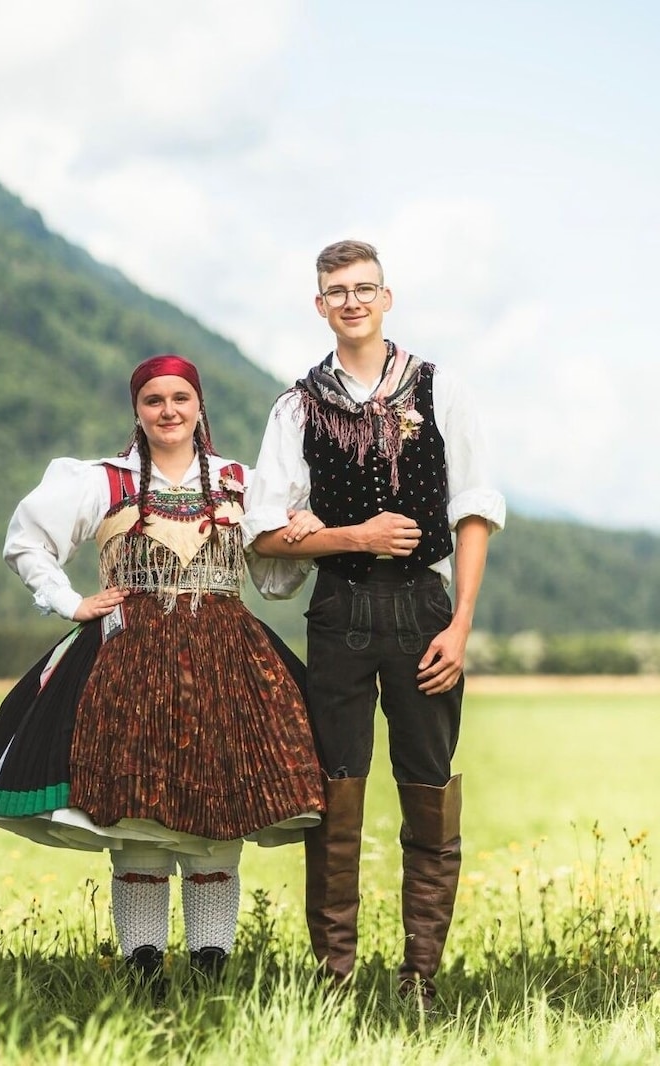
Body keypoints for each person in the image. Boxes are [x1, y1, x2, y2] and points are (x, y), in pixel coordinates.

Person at [0, 353, 325, 988]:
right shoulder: (103, 482)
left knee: (220, 813)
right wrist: (71, 602)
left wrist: (302, 528)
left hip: (225, 664)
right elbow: (26, 541)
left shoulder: (244, 482)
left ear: (199, 406)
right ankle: (144, 970)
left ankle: (211, 967)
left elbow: (273, 576)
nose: (168, 411)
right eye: (154, 400)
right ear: (137, 410)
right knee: (138, 817)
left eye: (180, 398)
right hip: (128, 665)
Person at [242, 240, 506, 1007]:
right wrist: (350, 536)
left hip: (425, 608)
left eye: (364, 288)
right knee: (335, 794)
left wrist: (460, 625)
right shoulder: (297, 406)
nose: (351, 301)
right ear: (319, 306)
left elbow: (475, 511)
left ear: (387, 298)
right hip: (340, 610)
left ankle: (420, 977)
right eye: (336, 291)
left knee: (430, 789)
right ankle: (336, 979)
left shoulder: (440, 387)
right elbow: (262, 532)